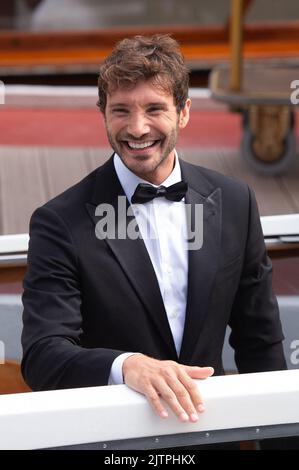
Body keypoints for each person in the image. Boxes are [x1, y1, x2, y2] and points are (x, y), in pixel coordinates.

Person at [21, 35, 288, 446]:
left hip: (210, 441)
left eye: (154, 109)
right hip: (112, 445)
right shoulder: (59, 222)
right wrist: (126, 366)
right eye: (121, 111)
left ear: (184, 113)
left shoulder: (235, 202)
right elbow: (43, 357)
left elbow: (260, 342)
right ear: (103, 115)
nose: (137, 128)